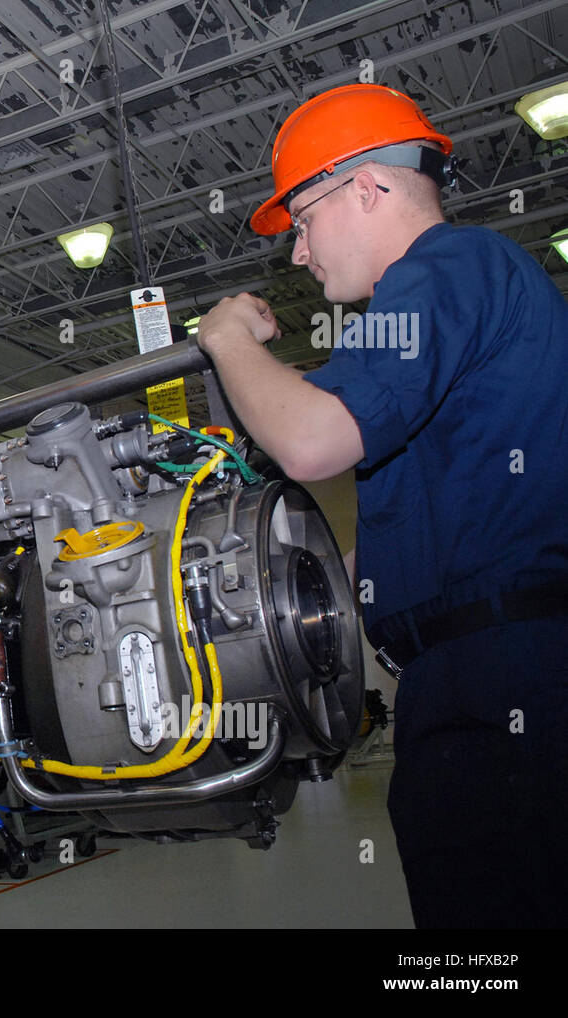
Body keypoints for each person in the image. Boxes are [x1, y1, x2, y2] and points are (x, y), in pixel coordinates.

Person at [196, 83, 568, 927]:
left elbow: (311, 441)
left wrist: (222, 341)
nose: (298, 254)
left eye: (303, 219)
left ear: (367, 186)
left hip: (503, 676)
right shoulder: (459, 307)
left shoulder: (447, 268)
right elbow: (395, 545)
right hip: (482, 670)